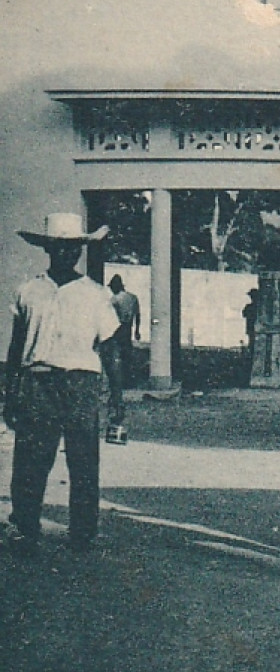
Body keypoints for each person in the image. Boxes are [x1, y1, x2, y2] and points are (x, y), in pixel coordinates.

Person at [2, 213, 119, 555]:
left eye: (75, 248)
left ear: (81, 250)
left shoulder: (96, 295)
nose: (68, 254)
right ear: (49, 249)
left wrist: (118, 400)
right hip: (37, 383)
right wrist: (9, 394)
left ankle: (83, 532)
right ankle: (25, 527)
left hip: (81, 383)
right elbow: (15, 346)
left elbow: (110, 349)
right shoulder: (28, 291)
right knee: (31, 460)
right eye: (61, 248)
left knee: (83, 460)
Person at [103, 274, 140, 445]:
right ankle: (127, 381)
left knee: (115, 360)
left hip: (116, 333)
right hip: (128, 330)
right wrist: (137, 330)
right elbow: (138, 315)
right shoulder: (132, 298)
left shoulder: (114, 300)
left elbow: (109, 321)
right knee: (127, 358)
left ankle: (116, 389)